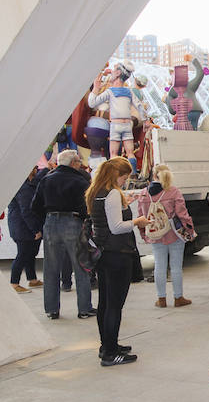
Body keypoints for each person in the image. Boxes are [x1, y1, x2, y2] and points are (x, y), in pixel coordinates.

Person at [87, 157, 149, 366]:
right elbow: (116, 227)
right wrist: (137, 221)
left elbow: (105, 221)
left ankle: (107, 345)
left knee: (105, 302)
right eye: (124, 177)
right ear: (117, 175)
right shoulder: (112, 193)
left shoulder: (96, 191)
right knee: (114, 305)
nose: (125, 181)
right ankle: (111, 353)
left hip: (103, 253)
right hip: (117, 254)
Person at [31, 149, 95, 319]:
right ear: (73, 163)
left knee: (51, 268)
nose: (80, 164)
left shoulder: (46, 179)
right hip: (73, 223)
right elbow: (87, 207)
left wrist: (46, 218)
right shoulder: (80, 181)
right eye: (79, 161)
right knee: (81, 266)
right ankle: (84, 309)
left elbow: (34, 206)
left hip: (51, 223)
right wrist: (83, 219)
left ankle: (52, 310)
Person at [136, 164, 194, 308]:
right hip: (174, 234)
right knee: (175, 267)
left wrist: (144, 234)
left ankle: (161, 299)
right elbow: (182, 214)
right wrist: (190, 230)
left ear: (153, 175)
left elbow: (141, 217)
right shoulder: (173, 191)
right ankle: (178, 297)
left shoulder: (143, 193)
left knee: (159, 266)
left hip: (155, 234)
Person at [88, 61, 146, 174]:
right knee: (130, 152)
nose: (111, 72)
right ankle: (132, 175)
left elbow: (92, 103)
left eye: (114, 70)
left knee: (113, 153)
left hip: (115, 125)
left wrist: (96, 88)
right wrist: (146, 120)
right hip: (127, 125)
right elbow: (139, 106)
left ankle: (114, 175)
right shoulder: (129, 91)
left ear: (118, 73)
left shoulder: (110, 92)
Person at [8, 167, 44, 293]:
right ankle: (14, 283)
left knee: (30, 253)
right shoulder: (23, 188)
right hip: (23, 227)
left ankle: (32, 279)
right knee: (23, 254)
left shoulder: (26, 185)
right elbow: (26, 211)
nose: (37, 169)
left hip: (23, 226)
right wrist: (35, 230)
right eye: (35, 167)